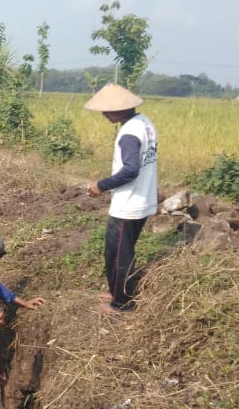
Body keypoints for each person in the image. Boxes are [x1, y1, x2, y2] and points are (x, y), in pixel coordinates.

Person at [85, 83, 158, 313]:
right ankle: (116, 292)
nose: (104, 115)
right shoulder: (144, 123)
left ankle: (121, 304)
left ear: (119, 110)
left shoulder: (128, 134)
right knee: (120, 252)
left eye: (107, 111)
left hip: (128, 204)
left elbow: (130, 170)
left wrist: (101, 185)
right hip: (142, 198)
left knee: (118, 256)